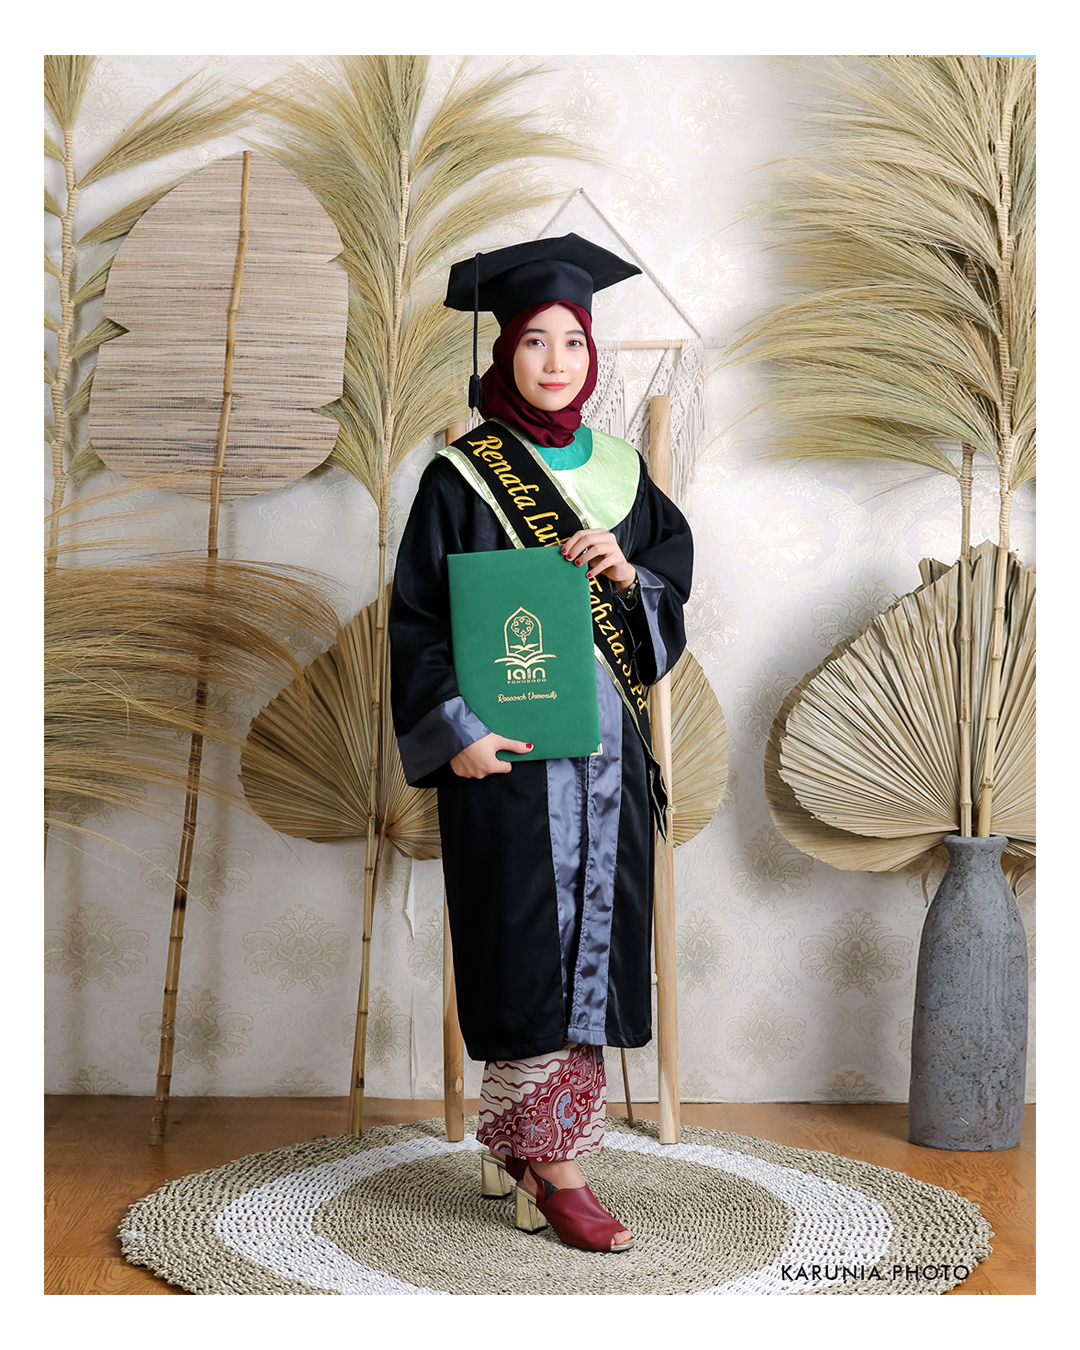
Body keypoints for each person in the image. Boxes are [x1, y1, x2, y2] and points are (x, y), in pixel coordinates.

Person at [389, 235, 693, 1253]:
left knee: (590, 950)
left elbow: (670, 592)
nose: (555, 360)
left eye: (572, 340)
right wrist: (456, 732)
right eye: (533, 341)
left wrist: (630, 575)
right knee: (522, 947)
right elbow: (418, 620)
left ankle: (523, 1148)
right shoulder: (460, 477)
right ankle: (557, 1168)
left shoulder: (623, 476)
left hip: (609, 761)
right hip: (510, 761)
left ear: (591, 354)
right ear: (503, 352)